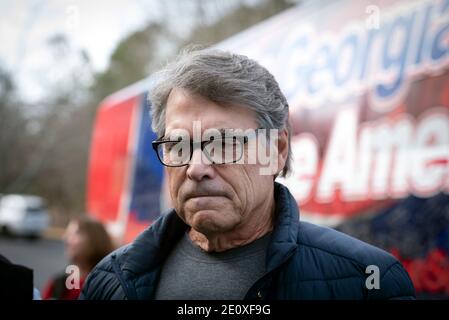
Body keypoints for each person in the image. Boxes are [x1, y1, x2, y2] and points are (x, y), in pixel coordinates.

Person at [80, 49, 415, 300]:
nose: (196, 168)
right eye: (179, 145)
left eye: (223, 143)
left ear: (278, 150)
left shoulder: (369, 282)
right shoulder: (110, 280)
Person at [43, 216, 114, 299]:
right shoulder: (59, 284)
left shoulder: (111, 285)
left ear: (95, 239)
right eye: (68, 234)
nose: (65, 238)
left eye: (75, 233)